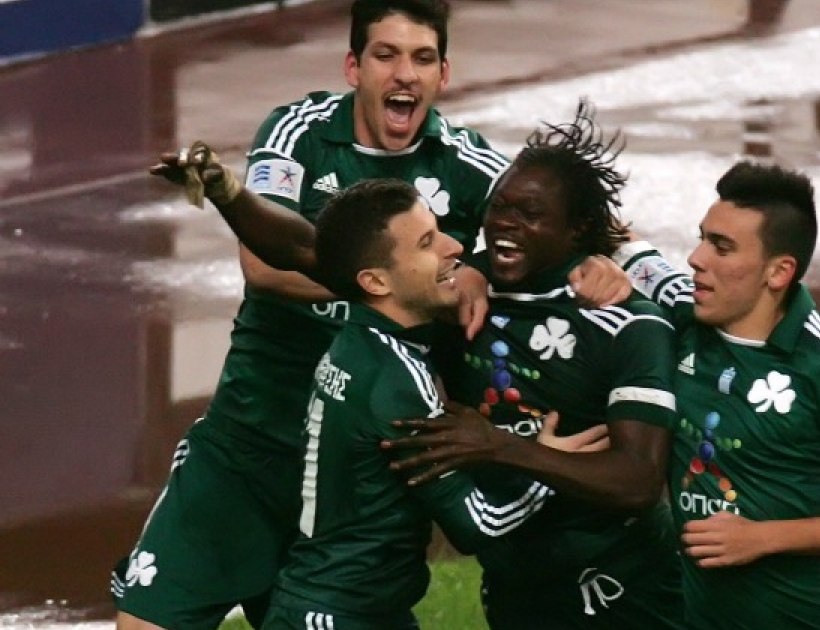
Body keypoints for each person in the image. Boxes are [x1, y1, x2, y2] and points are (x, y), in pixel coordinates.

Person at [188, 99, 684, 629]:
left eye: (530, 214)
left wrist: (507, 449)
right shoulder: (438, 317)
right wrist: (231, 194)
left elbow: (637, 480)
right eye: (498, 207)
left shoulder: (625, 323)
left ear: (577, 229)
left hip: (623, 590)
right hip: (500, 588)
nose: (502, 225)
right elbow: (306, 249)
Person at [112, 2, 506, 629]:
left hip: (354, 487)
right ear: (354, 67)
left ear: (443, 73)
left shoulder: (465, 163)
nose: (405, 74)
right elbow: (264, 267)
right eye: (386, 55)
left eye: (422, 58)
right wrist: (385, 287)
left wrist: (484, 266)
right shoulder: (299, 133)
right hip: (249, 447)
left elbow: (559, 223)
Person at [608, 161, 820, 630]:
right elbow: (626, 247)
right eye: (702, 238)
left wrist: (760, 538)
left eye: (722, 247)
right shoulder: (683, 312)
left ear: (778, 272)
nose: (696, 258)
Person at [260, 178, 556, 630]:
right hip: (339, 617)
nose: (454, 247)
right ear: (376, 281)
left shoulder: (355, 345)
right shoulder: (398, 380)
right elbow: (477, 524)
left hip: (342, 605)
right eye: (427, 243)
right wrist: (546, 465)